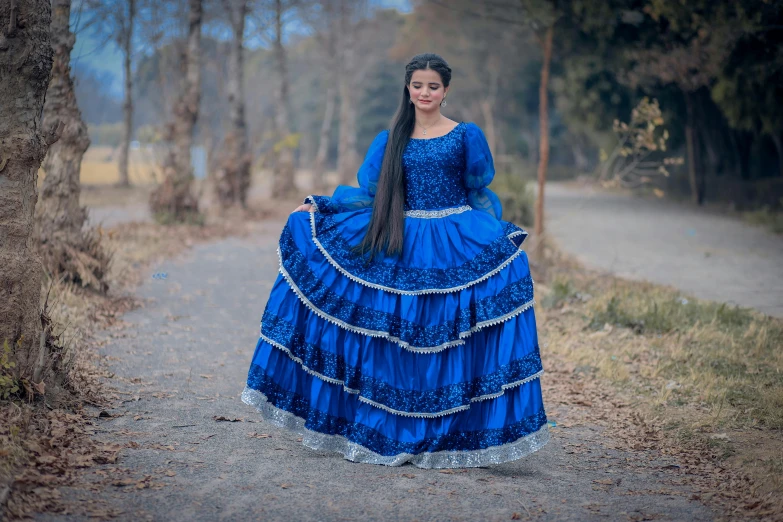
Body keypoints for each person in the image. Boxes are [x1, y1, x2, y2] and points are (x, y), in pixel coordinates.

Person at [242, 53, 549, 468]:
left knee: (444, 330)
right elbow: (369, 194)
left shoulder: (465, 135)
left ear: (446, 90)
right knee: (394, 334)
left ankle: (452, 425)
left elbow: (478, 191)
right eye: (418, 85)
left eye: (433, 86)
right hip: (400, 236)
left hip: (454, 236)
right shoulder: (391, 139)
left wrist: (490, 236)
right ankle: (385, 423)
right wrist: (323, 207)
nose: (425, 93)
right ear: (408, 88)